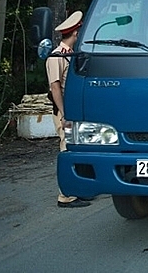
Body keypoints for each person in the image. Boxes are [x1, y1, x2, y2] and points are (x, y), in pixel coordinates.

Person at [45, 11, 91, 208]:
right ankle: (65, 195)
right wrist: (64, 114)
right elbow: (55, 88)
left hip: (73, 110)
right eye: (78, 32)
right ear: (74, 34)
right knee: (66, 149)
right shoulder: (56, 56)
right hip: (63, 111)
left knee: (79, 148)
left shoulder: (71, 56)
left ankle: (78, 188)